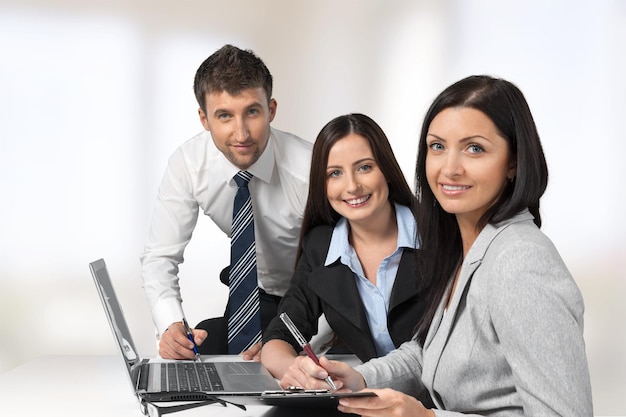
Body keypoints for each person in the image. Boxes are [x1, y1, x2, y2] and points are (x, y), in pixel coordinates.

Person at [283, 76, 593, 416]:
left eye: (475, 148)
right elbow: (428, 353)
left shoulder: (521, 259)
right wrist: (357, 377)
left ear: (514, 162)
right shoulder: (464, 247)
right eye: (438, 147)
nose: (450, 168)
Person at [140, 44, 312, 361]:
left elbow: (343, 272)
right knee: (216, 363)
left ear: (271, 110)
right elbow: (159, 258)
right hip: (256, 295)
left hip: (318, 302)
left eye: (252, 112)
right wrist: (170, 325)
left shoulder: (309, 171)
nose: (241, 133)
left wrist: (296, 344)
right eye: (224, 116)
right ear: (204, 119)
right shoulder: (189, 165)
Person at [260, 113, 431, 393]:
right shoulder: (321, 245)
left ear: (386, 169)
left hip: (441, 402)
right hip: (369, 398)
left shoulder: (438, 234)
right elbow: (280, 335)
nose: (352, 186)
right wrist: (299, 371)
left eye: (364, 167)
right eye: (334, 173)